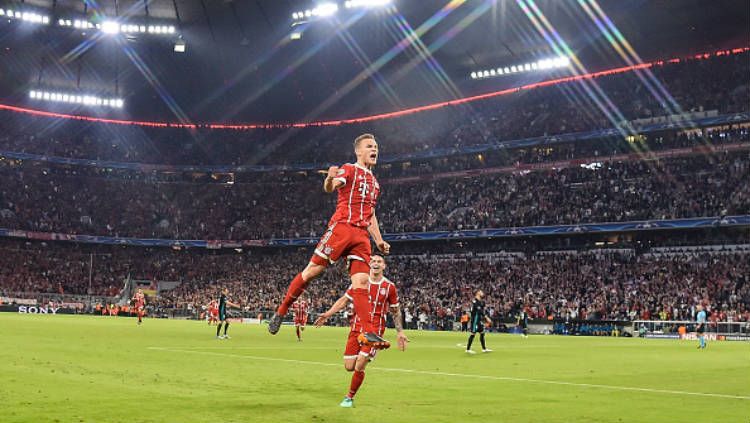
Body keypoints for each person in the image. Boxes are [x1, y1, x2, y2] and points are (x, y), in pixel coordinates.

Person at [269, 134, 391, 349]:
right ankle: (281, 311)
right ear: (358, 151)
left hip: (362, 236)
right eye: (370, 146)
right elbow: (332, 186)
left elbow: (370, 214)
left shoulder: (375, 183)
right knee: (312, 272)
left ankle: (369, 331)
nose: (375, 149)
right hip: (342, 228)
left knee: (361, 283)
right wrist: (328, 179)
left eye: (376, 146)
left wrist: (379, 241)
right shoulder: (349, 169)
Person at [314, 255, 408, 408]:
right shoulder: (359, 282)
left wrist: (400, 332)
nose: (376, 264)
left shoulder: (389, 287)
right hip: (356, 329)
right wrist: (327, 314)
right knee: (349, 366)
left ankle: (349, 398)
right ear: (368, 264)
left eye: (379, 262)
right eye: (373, 261)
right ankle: (364, 359)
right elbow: (344, 300)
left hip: (374, 332)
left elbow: (396, 311)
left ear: (384, 266)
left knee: (360, 363)